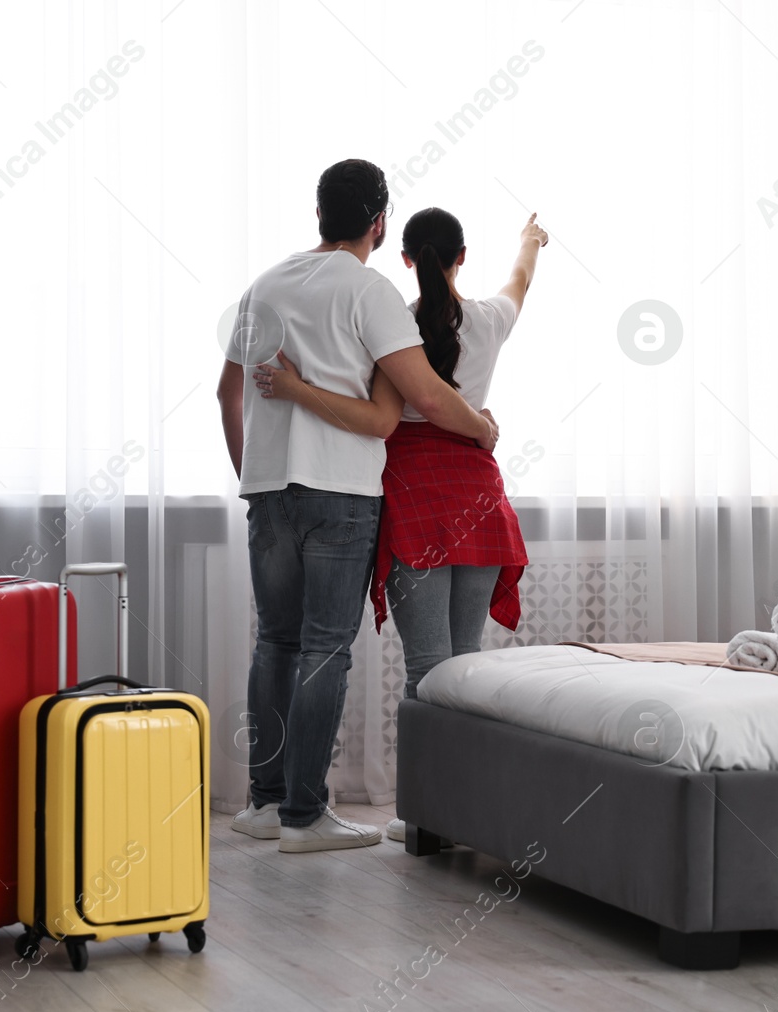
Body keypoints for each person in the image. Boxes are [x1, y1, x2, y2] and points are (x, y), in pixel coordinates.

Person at [217, 160, 499, 853]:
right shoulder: (367, 291)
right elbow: (415, 404)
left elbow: (228, 396)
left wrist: (256, 476)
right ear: (378, 223)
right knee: (323, 648)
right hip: (339, 493)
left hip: (268, 490)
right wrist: (484, 428)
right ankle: (306, 816)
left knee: (275, 642)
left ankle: (266, 802)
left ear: (319, 212)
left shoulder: (266, 284)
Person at [254, 207, 546, 843]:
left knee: (427, 670)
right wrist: (529, 241)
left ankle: (422, 816)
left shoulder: (396, 326)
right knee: (464, 666)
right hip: (478, 493)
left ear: (406, 259)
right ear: (462, 256)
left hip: (414, 495)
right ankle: (457, 815)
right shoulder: (492, 320)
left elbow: (389, 409)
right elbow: (520, 281)